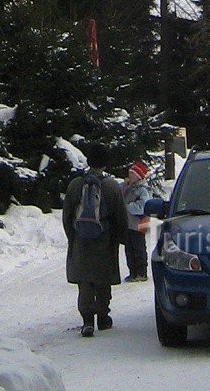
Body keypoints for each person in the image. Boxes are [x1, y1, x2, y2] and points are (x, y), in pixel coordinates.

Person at [62, 142, 129, 335]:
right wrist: (119, 238)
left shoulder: (75, 184)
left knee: (85, 282)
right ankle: (103, 316)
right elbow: (120, 216)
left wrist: (72, 236)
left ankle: (87, 320)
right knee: (102, 280)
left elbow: (67, 215)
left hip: (81, 240)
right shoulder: (110, 186)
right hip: (104, 239)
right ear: (105, 164)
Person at [120, 160, 151, 281]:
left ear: (138, 176)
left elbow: (143, 207)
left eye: (132, 174)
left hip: (138, 224)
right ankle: (132, 271)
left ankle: (141, 272)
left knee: (139, 249)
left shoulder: (142, 190)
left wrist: (128, 206)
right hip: (128, 224)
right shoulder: (128, 187)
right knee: (129, 249)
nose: (129, 176)